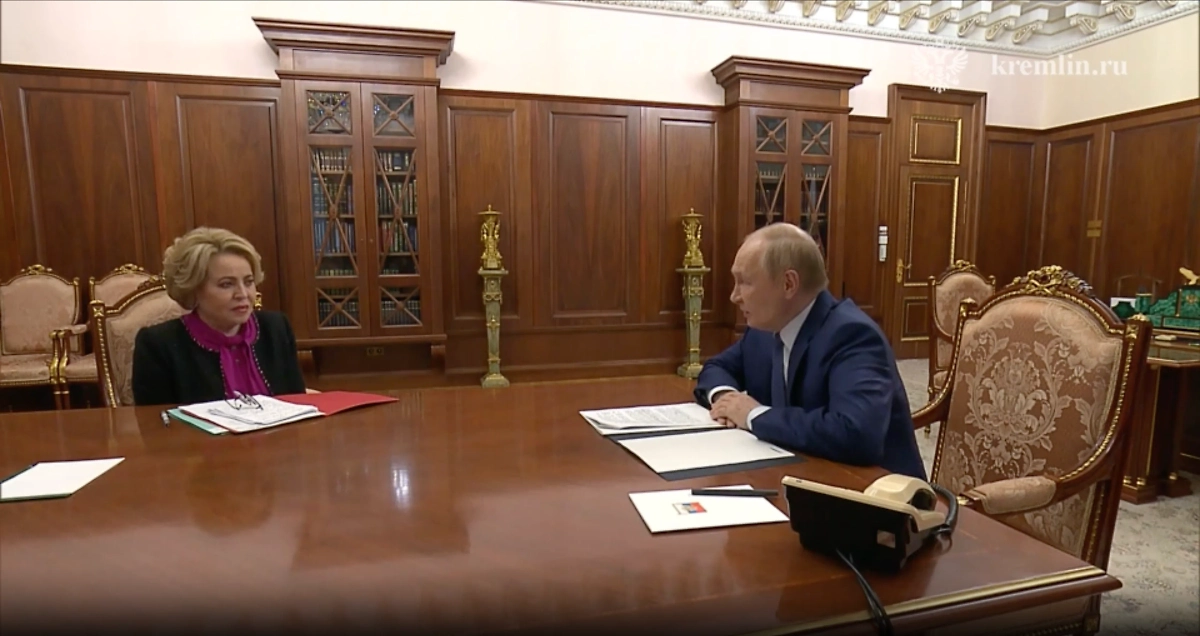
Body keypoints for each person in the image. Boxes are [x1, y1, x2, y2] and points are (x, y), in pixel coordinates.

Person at [694, 224, 926, 480]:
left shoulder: (852, 335)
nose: (734, 296)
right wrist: (726, 399)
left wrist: (753, 415)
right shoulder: (765, 329)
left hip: (872, 491)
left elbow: (856, 433)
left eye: (745, 282)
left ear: (788, 284)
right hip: (794, 475)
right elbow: (718, 367)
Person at [131, 227, 306, 406]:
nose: (243, 294)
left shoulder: (276, 328)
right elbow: (155, 419)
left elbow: (297, 402)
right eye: (226, 284)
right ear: (194, 289)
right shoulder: (158, 345)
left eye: (248, 282)